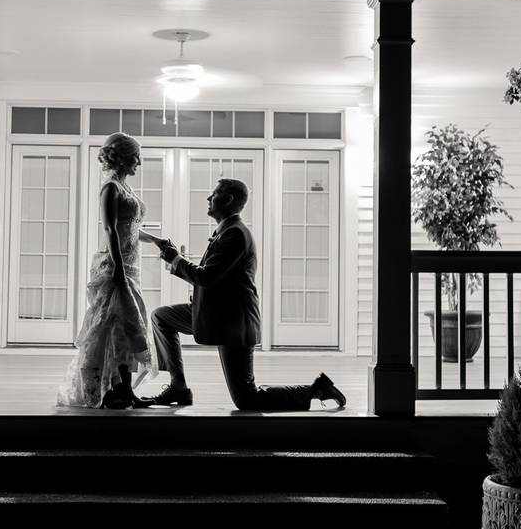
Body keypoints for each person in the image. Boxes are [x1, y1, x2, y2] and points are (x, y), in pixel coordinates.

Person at [150, 177, 346, 411]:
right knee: (161, 316)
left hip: (234, 322)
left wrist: (176, 259)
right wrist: (176, 262)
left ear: (229, 199)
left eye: (214, 193)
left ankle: (316, 389)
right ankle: (178, 386)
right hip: (214, 314)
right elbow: (210, 277)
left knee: (247, 399)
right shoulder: (226, 232)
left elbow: (207, 277)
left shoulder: (235, 235)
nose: (208, 198)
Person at [56, 132, 163, 409]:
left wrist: (156, 240)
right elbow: (111, 229)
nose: (139, 162)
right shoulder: (111, 188)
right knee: (118, 325)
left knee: (129, 327)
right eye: (135, 156)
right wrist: (117, 267)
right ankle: (118, 389)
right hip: (115, 267)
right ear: (124, 157)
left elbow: (132, 229)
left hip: (131, 267)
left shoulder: (126, 189)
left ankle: (125, 389)